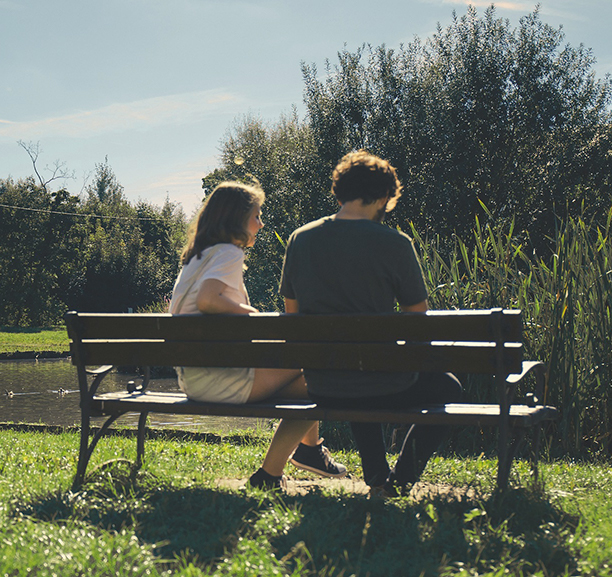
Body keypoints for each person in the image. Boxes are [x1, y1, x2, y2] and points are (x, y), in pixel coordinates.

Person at [280, 151, 462, 497]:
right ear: (383, 197)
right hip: (381, 380)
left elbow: (293, 315)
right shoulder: (394, 243)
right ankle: (401, 478)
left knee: (354, 372)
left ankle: (378, 476)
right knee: (447, 387)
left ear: (339, 193)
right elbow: (417, 320)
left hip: (322, 381)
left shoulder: (300, 239)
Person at [169, 181, 346, 490]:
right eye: (256, 215)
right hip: (221, 379)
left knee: (310, 381)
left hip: (195, 378)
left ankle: (308, 450)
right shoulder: (228, 252)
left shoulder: (197, 257)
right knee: (326, 375)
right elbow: (208, 300)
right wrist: (255, 317)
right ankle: (277, 470)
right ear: (236, 218)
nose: (261, 223)